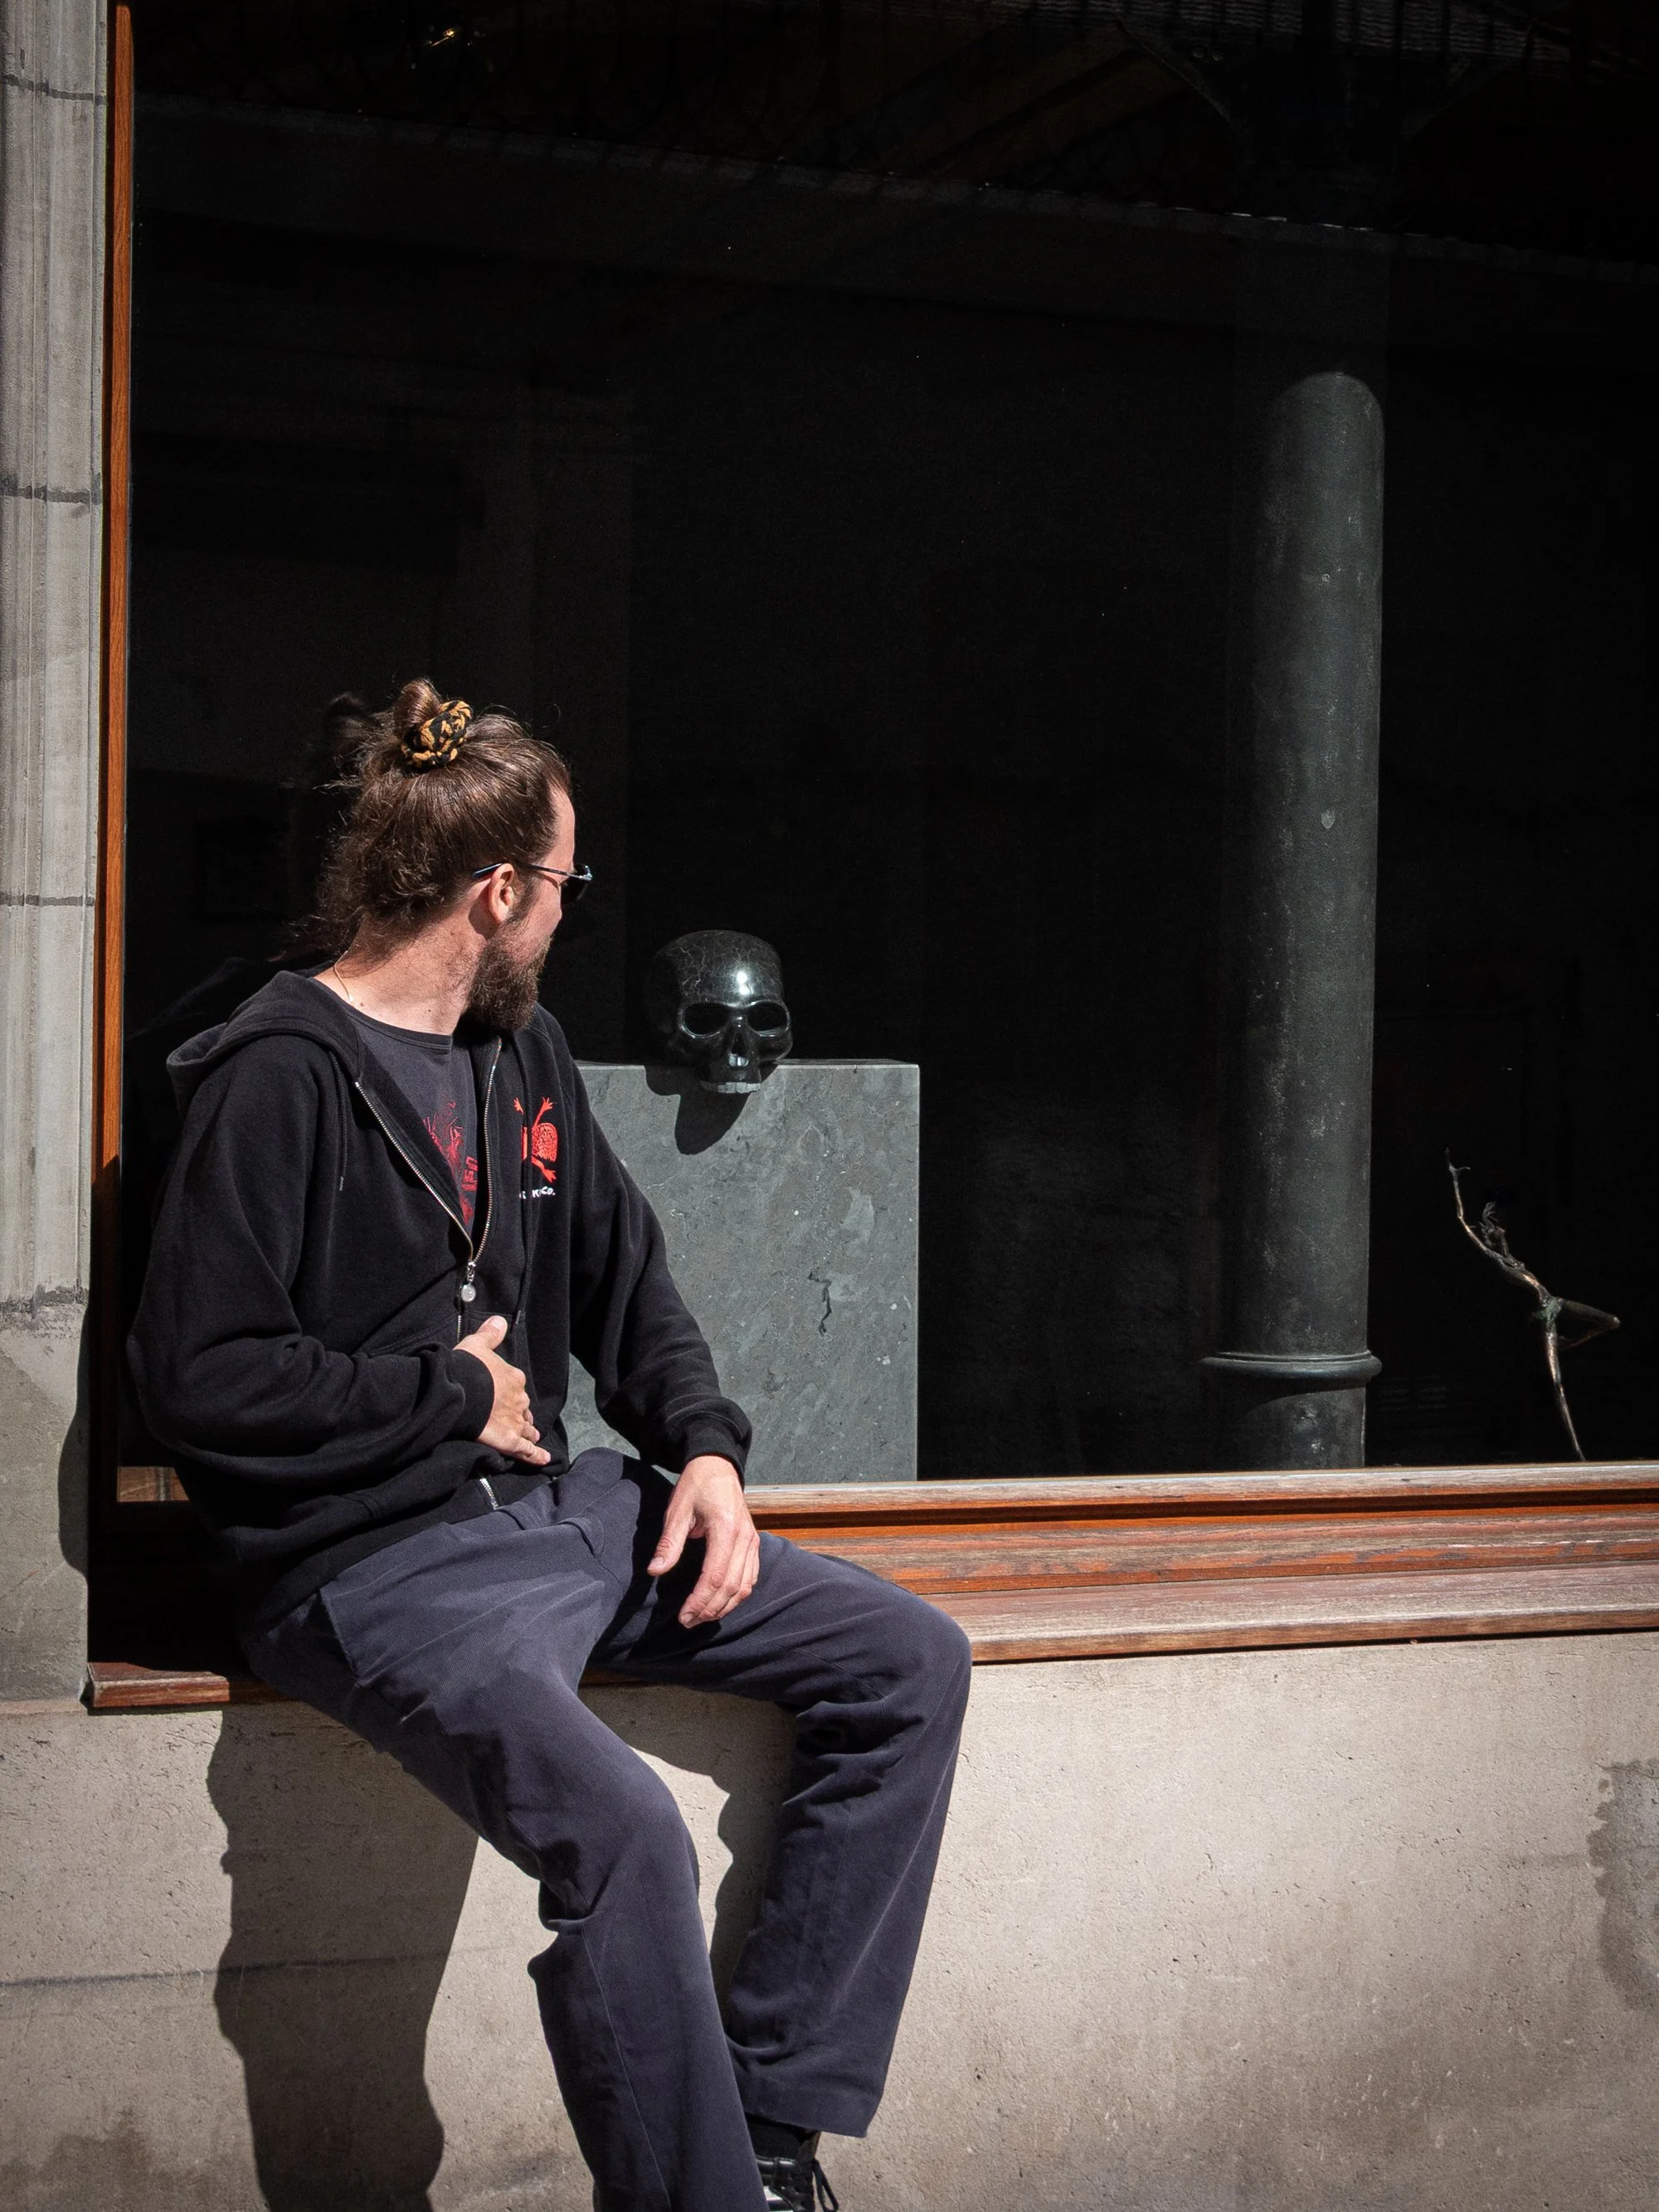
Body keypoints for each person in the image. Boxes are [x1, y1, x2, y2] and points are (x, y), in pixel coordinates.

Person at [129, 678, 972, 2212]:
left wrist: (706, 1452)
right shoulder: (275, 1073)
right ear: (498, 892)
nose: (576, 908)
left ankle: (769, 2131)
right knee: (628, 1834)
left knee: (907, 1660)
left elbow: (628, 1281)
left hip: (564, 1516)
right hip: (373, 1568)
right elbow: (198, 1372)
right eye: (570, 880)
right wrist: (445, 1399)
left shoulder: (522, 1051)